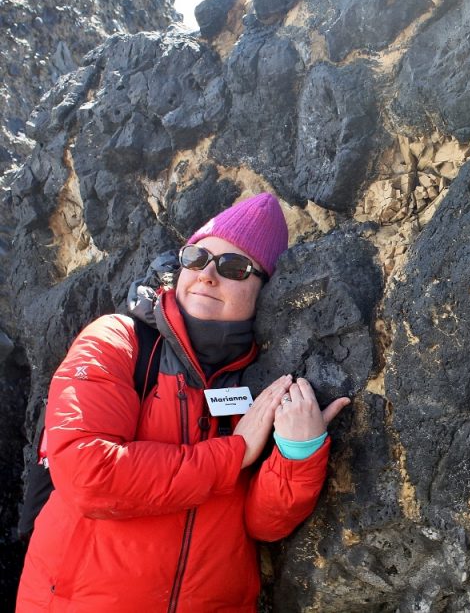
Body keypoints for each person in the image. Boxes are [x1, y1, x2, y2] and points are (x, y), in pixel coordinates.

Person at [16, 193, 348, 612]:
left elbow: (260, 525)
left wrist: (298, 454)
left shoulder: (259, 377)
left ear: (266, 287)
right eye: (196, 258)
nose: (207, 275)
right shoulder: (118, 340)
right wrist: (234, 452)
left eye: (233, 267)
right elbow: (89, 475)